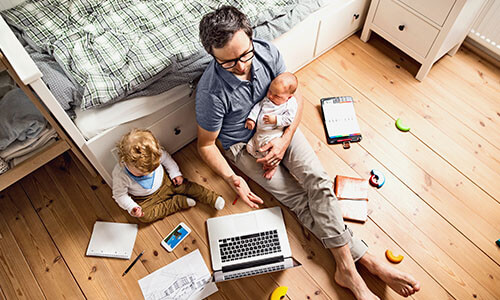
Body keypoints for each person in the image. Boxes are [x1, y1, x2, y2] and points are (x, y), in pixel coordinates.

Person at [195, 5, 420, 299]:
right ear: (213, 56)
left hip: (279, 127)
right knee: (298, 199)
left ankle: (350, 268)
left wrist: (285, 141)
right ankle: (361, 263)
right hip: (245, 146)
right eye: (228, 62)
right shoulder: (210, 93)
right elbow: (205, 145)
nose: (241, 66)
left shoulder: (267, 52)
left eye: (245, 54)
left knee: (319, 181)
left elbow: (295, 94)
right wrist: (231, 177)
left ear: (251, 39)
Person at [112, 129, 225, 223]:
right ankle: (178, 202)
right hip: (146, 198)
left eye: (153, 170)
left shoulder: (154, 152)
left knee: (187, 186)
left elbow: (167, 160)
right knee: (145, 216)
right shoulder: (120, 175)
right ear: (125, 161)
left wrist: (175, 174)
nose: (149, 174)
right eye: (142, 174)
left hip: (167, 182)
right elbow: (119, 195)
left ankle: (212, 198)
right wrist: (132, 207)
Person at [245, 72, 298, 179]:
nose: (270, 96)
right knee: (250, 147)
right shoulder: (268, 99)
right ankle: (263, 159)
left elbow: (289, 119)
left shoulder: (290, 104)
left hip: (272, 135)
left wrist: (276, 119)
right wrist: (251, 119)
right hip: (259, 133)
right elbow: (258, 106)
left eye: (276, 95)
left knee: (269, 153)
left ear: (288, 97)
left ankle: (273, 167)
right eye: (269, 91)